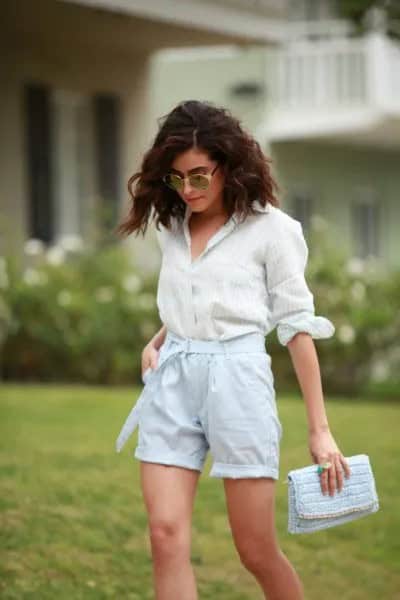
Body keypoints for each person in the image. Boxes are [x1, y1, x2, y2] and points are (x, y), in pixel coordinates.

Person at [115, 100, 351, 600]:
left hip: (238, 382)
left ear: (229, 164)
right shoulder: (172, 227)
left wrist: (321, 431)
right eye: (177, 178)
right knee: (165, 536)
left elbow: (296, 326)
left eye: (199, 175)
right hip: (172, 381)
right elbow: (201, 294)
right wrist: (159, 338)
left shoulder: (272, 231)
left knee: (255, 549)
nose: (188, 189)